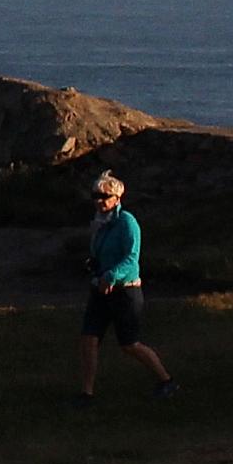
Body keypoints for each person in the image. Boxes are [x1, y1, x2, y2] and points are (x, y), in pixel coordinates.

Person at [77, 171, 178, 402]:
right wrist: (94, 265)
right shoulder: (99, 223)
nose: (99, 200)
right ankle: (86, 393)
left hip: (126, 291)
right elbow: (99, 253)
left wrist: (111, 276)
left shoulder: (127, 223)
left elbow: (132, 258)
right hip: (100, 290)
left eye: (104, 196)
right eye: (95, 195)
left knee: (129, 345)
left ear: (117, 198)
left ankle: (166, 380)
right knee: (88, 339)